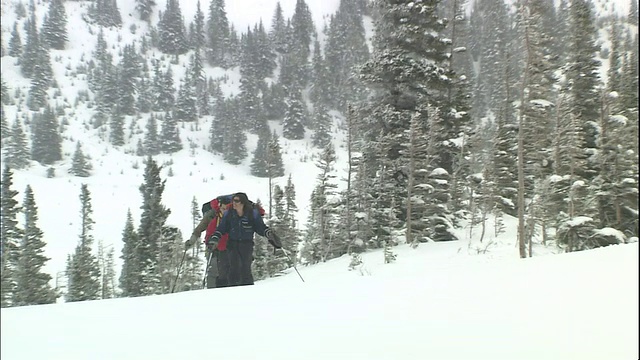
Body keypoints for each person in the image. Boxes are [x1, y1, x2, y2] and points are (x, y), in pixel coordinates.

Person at [205, 192, 282, 286]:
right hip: (232, 244)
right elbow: (222, 228)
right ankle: (233, 289)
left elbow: (260, 227)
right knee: (234, 267)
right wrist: (215, 238)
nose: (234, 203)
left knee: (246, 268)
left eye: (236, 201)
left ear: (243, 203)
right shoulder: (229, 213)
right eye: (233, 200)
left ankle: (247, 289)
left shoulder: (252, 213)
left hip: (246, 244)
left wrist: (269, 234)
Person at [186, 194, 233, 288]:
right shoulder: (212, 215)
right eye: (223, 209)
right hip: (212, 246)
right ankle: (212, 291)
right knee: (213, 270)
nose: (224, 211)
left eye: (226, 209)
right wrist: (192, 240)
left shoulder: (233, 215)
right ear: (219, 206)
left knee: (227, 270)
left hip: (228, 246)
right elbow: (200, 228)